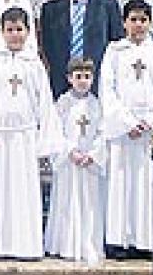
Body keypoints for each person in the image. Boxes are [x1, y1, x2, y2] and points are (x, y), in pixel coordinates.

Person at [0, 7, 64, 260]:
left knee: (23, 193)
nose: (14, 35)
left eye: (19, 29)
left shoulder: (34, 64)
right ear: (2, 32)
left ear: (28, 31)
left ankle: (25, 245)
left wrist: (44, 143)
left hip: (25, 138)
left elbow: (45, 104)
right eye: (9, 30)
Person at [100, 0, 153, 256]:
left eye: (143, 20)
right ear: (124, 23)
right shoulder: (114, 52)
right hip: (124, 130)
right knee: (120, 182)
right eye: (133, 19)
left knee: (146, 184)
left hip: (150, 131)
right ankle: (118, 241)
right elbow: (107, 90)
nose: (138, 25)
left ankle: (144, 241)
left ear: (150, 23)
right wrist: (127, 123)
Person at [45, 57, 107, 263]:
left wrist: (93, 154)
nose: (82, 81)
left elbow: (102, 133)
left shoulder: (97, 105)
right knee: (66, 202)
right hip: (69, 163)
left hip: (88, 163)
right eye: (78, 76)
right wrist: (70, 151)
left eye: (87, 77)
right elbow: (55, 131)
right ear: (69, 78)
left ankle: (88, 244)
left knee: (89, 205)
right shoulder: (62, 104)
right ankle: (64, 245)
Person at [40, 0, 124, 99]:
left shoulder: (108, 6)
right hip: (62, 81)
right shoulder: (50, 9)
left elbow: (117, 44)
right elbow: (47, 47)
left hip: (98, 80)